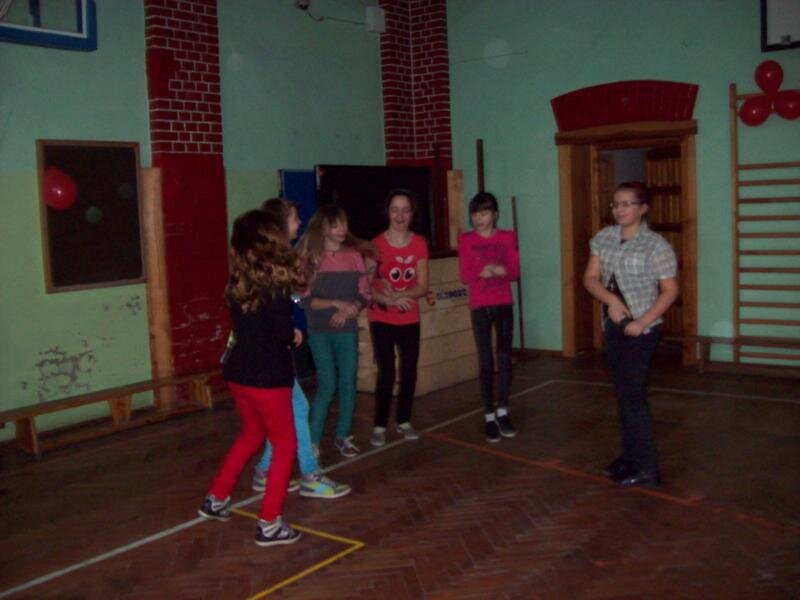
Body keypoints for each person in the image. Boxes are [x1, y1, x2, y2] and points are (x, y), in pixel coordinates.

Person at [198, 209, 303, 547]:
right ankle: (270, 522)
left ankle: (216, 498)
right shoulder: (276, 286)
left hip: (240, 374)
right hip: (267, 377)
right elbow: (282, 333)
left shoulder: (238, 282)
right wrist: (294, 334)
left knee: (252, 433)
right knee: (285, 444)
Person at [249, 198, 351, 499]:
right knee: (295, 410)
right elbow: (271, 309)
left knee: (290, 412)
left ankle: (264, 471)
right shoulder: (272, 265)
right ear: (280, 224)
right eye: (294, 218)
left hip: (273, 351)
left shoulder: (276, 260)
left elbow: (283, 301)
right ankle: (309, 475)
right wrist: (286, 329)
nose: (298, 223)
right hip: (269, 356)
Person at [583, 181, 678, 489]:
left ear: (642, 208)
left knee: (634, 398)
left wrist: (642, 321)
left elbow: (670, 290)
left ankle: (648, 468)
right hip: (615, 325)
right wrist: (611, 301)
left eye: (627, 204)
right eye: (616, 204)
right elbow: (590, 278)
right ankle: (629, 457)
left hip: (643, 329)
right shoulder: (604, 237)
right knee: (622, 394)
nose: (619, 209)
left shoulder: (656, 245)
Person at [296, 204, 373, 458]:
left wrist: (351, 309)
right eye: (335, 225)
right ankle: (313, 441)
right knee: (328, 384)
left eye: (344, 223)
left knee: (348, 383)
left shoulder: (354, 256)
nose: (342, 229)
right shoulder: (310, 259)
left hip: (347, 329)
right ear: (324, 229)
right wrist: (336, 304)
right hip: (319, 331)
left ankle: (343, 436)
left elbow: (364, 293)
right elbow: (305, 300)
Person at [366, 189, 429, 447]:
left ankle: (404, 420)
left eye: (405, 210)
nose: (400, 215)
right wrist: (387, 299)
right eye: (395, 210)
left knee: (409, 370)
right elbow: (366, 285)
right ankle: (379, 425)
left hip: (409, 317)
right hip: (381, 316)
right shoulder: (375, 245)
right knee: (387, 371)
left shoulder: (419, 244)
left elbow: (423, 286)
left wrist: (402, 294)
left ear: (412, 213)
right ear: (388, 212)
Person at [458, 192, 520, 443]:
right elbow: (465, 274)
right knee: (485, 360)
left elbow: (514, 271)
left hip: (503, 303)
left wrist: (501, 270)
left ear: (494, 215)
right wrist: (481, 271)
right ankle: (489, 415)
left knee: (504, 358)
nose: (478, 219)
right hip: (480, 305)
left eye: (484, 213)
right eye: (475, 214)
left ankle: (503, 411)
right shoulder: (466, 239)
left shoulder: (507, 236)